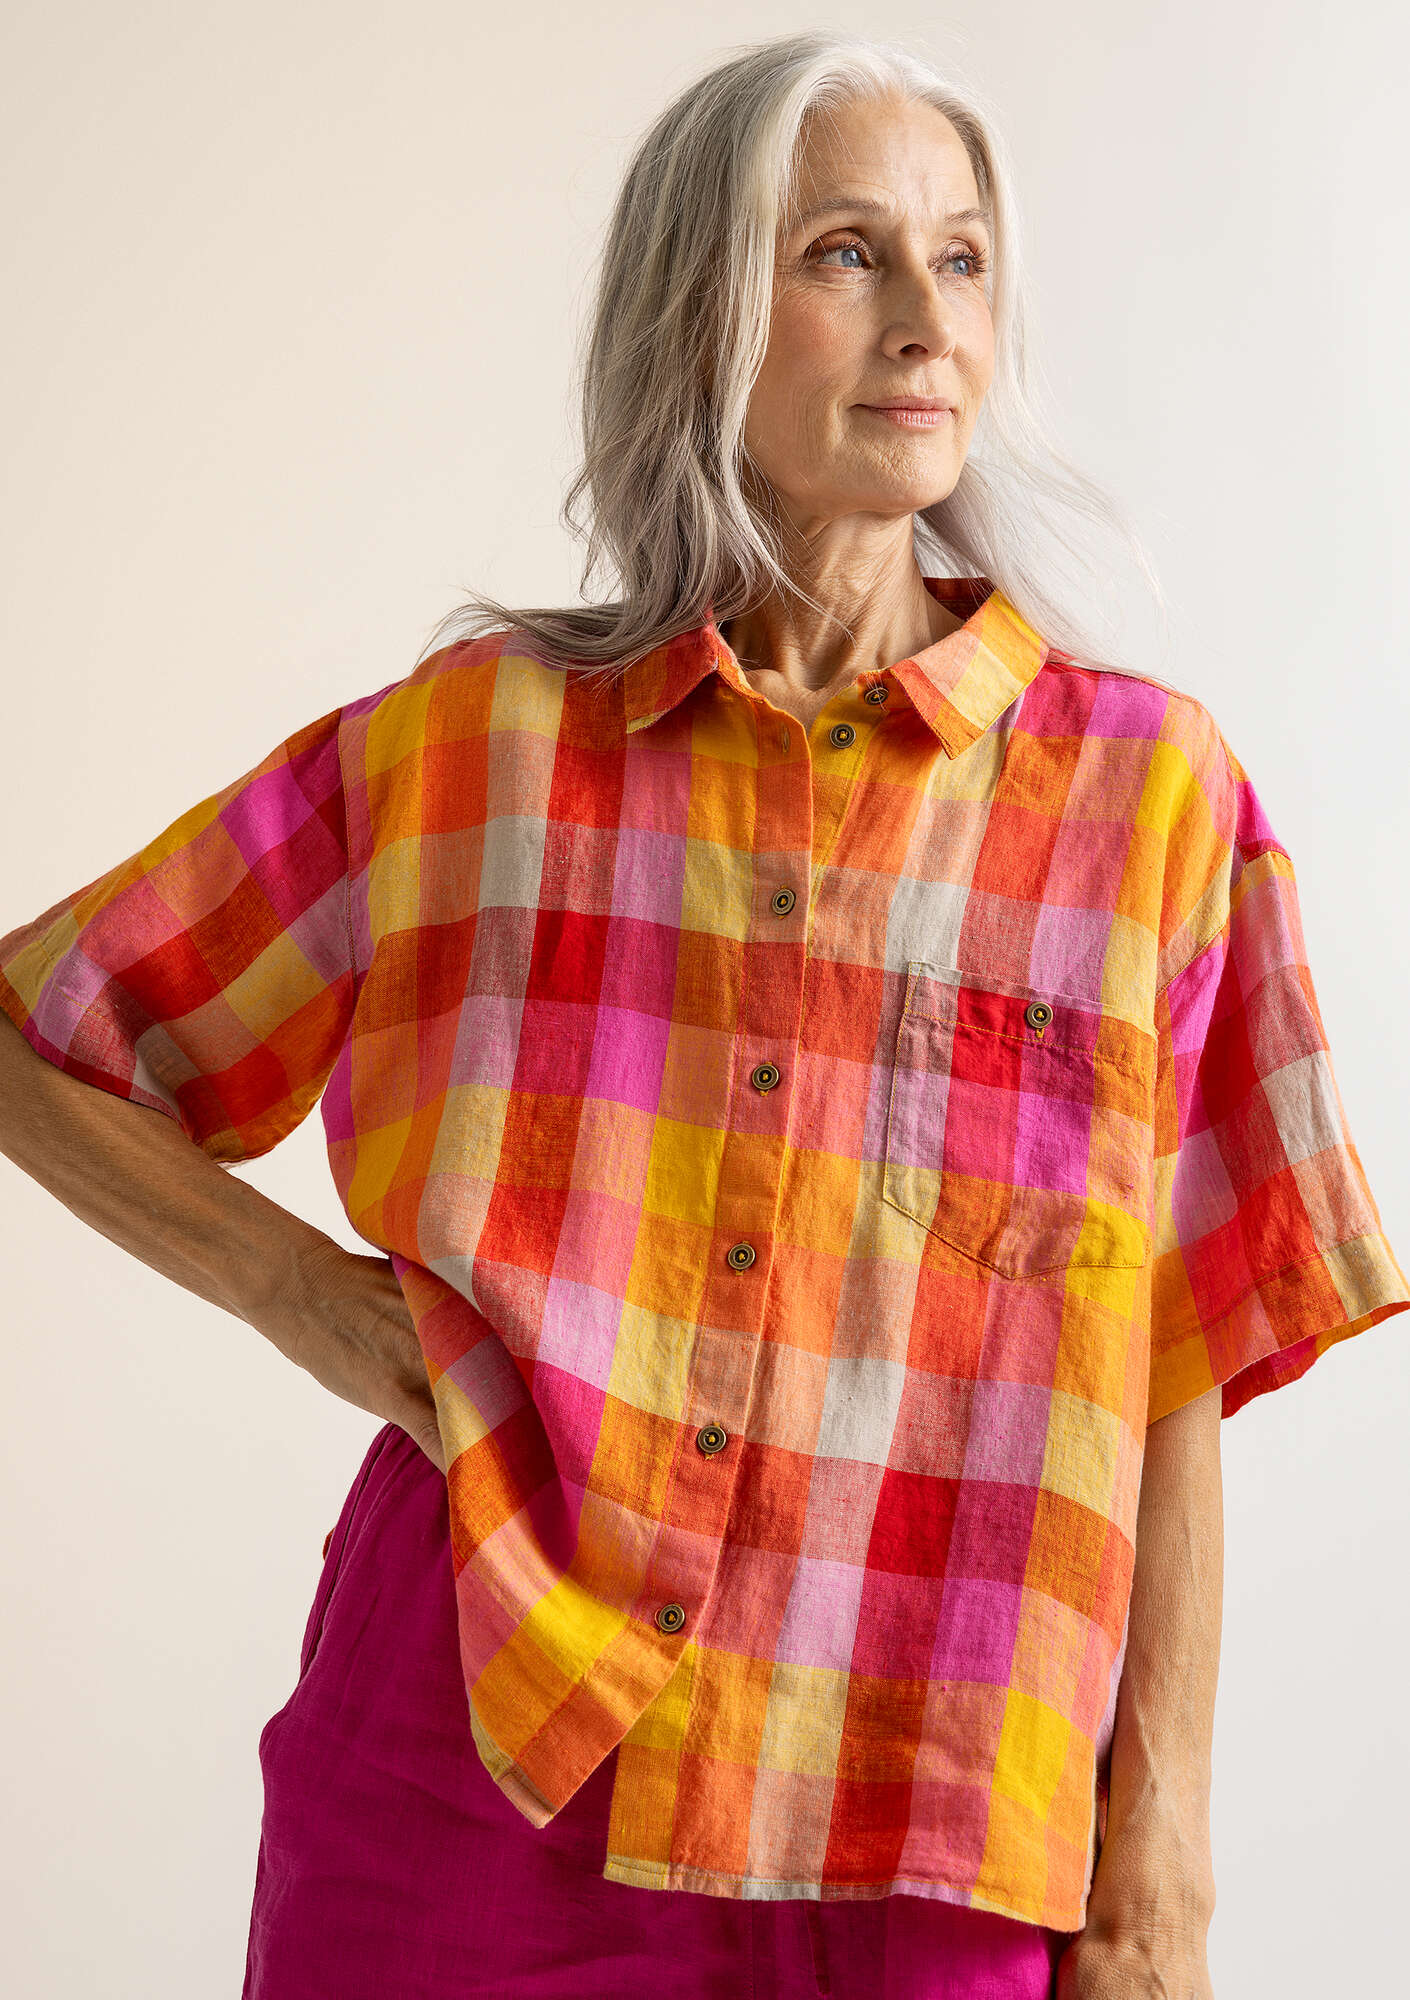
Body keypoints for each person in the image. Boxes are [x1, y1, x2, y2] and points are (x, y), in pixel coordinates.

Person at [1, 28, 1405, 2000]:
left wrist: (1158, 1857)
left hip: (933, 1808)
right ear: (699, 315)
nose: (927, 319)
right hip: (472, 1755)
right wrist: (302, 1296)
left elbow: (1178, 1339)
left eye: (962, 257)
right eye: (845, 252)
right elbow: (39, 1037)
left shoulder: (1148, 800)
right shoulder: (466, 755)